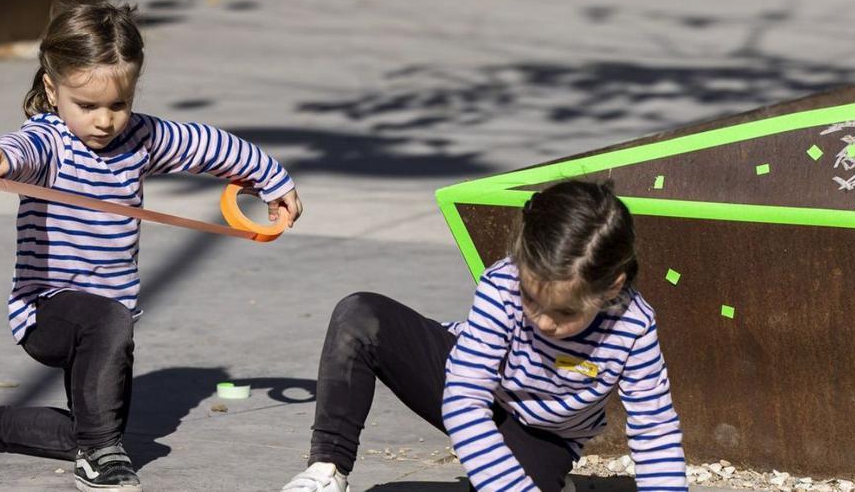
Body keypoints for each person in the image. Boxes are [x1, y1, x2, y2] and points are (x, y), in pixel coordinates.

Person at [0, 1, 302, 492]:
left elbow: (211, 145)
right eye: (86, 106)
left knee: (92, 430)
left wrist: (271, 181)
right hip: (47, 312)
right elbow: (25, 150)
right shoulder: (49, 138)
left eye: (119, 103)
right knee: (103, 408)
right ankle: (98, 458)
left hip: (109, 325)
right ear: (52, 89)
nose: (105, 121)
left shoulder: (141, 137)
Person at [281, 180, 686, 492]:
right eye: (531, 299)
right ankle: (327, 469)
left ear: (611, 288)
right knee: (359, 316)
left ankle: (545, 480)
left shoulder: (633, 325)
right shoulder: (503, 282)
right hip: (471, 387)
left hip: (544, 434)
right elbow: (463, 399)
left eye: (564, 312)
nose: (544, 323)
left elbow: (654, 432)